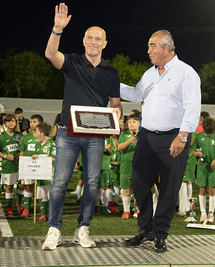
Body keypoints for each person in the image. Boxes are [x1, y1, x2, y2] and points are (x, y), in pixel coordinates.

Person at [42, 3, 121, 251]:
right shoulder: (73, 62)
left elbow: (116, 105)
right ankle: (54, 229)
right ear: (84, 40)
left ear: (105, 43)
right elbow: (50, 55)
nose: (94, 41)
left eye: (99, 38)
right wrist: (57, 30)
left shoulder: (111, 72)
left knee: (92, 183)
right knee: (59, 182)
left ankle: (82, 228)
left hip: (96, 137)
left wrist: (116, 115)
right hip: (67, 132)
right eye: (90, 37)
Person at [120, 29, 201, 253]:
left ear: (166, 47)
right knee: (138, 182)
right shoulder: (150, 74)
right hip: (147, 136)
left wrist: (182, 136)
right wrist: (110, 83)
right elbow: (136, 95)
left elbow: (193, 107)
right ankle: (145, 228)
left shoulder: (187, 73)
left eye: (151, 46)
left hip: (174, 136)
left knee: (168, 188)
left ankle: (160, 234)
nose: (148, 51)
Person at [193, 117, 215, 223]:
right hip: (202, 167)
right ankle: (203, 213)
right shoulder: (198, 136)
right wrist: (197, 153)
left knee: (212, 189)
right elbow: (193, 150)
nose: (208, 134)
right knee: (202, 189)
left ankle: (211, 213)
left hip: (213, 167)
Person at [0, 114, 22, 216]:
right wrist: (6, 156)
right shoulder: (1, 137)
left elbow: (23, 148)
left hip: (19, 165)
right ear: (5, 123)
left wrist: (19, 155)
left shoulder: (19, 135)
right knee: (9, 187)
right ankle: (9, 207)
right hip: (8, 166)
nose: (12, 123)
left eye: (13, 121)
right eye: (9, 121)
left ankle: (20, 204)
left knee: (21, 185)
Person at [18, 114, 43, 218]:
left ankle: (40, 211)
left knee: (37, 187)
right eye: (31, 121)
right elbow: (22, 153)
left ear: (40, 123)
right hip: (27, 165)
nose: (32, 124)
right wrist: (20, 167)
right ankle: (24, 207)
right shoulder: (26, 137)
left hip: (39, 166)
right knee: (26, 186)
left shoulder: (43, 136)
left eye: (34, 122)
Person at [31, 122, 56, 222]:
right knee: (42, 195)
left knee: (51, 195)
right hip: (40, 174)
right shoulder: (37, 144)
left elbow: (54, 158)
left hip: (50, 174)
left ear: (42, 133)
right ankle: (43, 214)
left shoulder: (52, 144)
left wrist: (39, 157)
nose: (35, 135)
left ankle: (52, 215)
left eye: (36, 132)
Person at [118, 114, 140, 219]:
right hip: (125, 166)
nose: (131, 124)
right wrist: (130, 140)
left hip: (139, 167)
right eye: (130, 122)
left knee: (138, 189)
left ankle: (138, 209)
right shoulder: (124, 134)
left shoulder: (142, 135)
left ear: (139, 123)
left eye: (134, 122)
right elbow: (119, 147)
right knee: (125, 188)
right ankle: (126, 211)